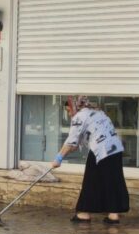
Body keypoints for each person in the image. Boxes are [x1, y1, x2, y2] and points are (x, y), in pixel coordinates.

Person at [50, 96, 129, 224]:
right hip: (116, 150)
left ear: (75, 107)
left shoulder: (79, 117)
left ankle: (83, 214)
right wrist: (69, 149)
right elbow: (76, 144)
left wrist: (58, 159)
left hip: (100, 150)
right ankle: (113, 215)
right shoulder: (98, 112)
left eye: (69, 110)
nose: (69, 113)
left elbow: (71, 142)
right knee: (113, 181)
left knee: (90, 181)